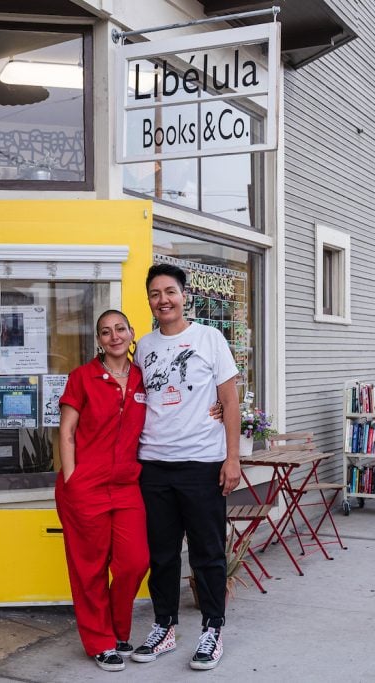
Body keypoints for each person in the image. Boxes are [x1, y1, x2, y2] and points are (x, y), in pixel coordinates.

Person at [130, 263, 242, 671]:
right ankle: (164, 626)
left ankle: (213, 629)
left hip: (202, 462)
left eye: (170, 292)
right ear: (150, 301)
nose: (163, 300)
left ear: (184, 295)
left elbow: (230, 402)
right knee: (161, 554)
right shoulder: (143, 346)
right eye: (156, 294)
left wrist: (233, 458)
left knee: (207, 553)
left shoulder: (210, 338)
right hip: (155, 464)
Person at [56, 310, 150, 672]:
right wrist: (71, 479)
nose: (114, 336)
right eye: (106, 332)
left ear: (131, 333)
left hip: (127, 484)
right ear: (99, 340)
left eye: (120, 329)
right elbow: (66, 432)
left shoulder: (143, 379)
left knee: (134, 562)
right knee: (89, 569)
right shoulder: (82, 377)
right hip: (85, 486)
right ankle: (100, 641)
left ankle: (116, 628)